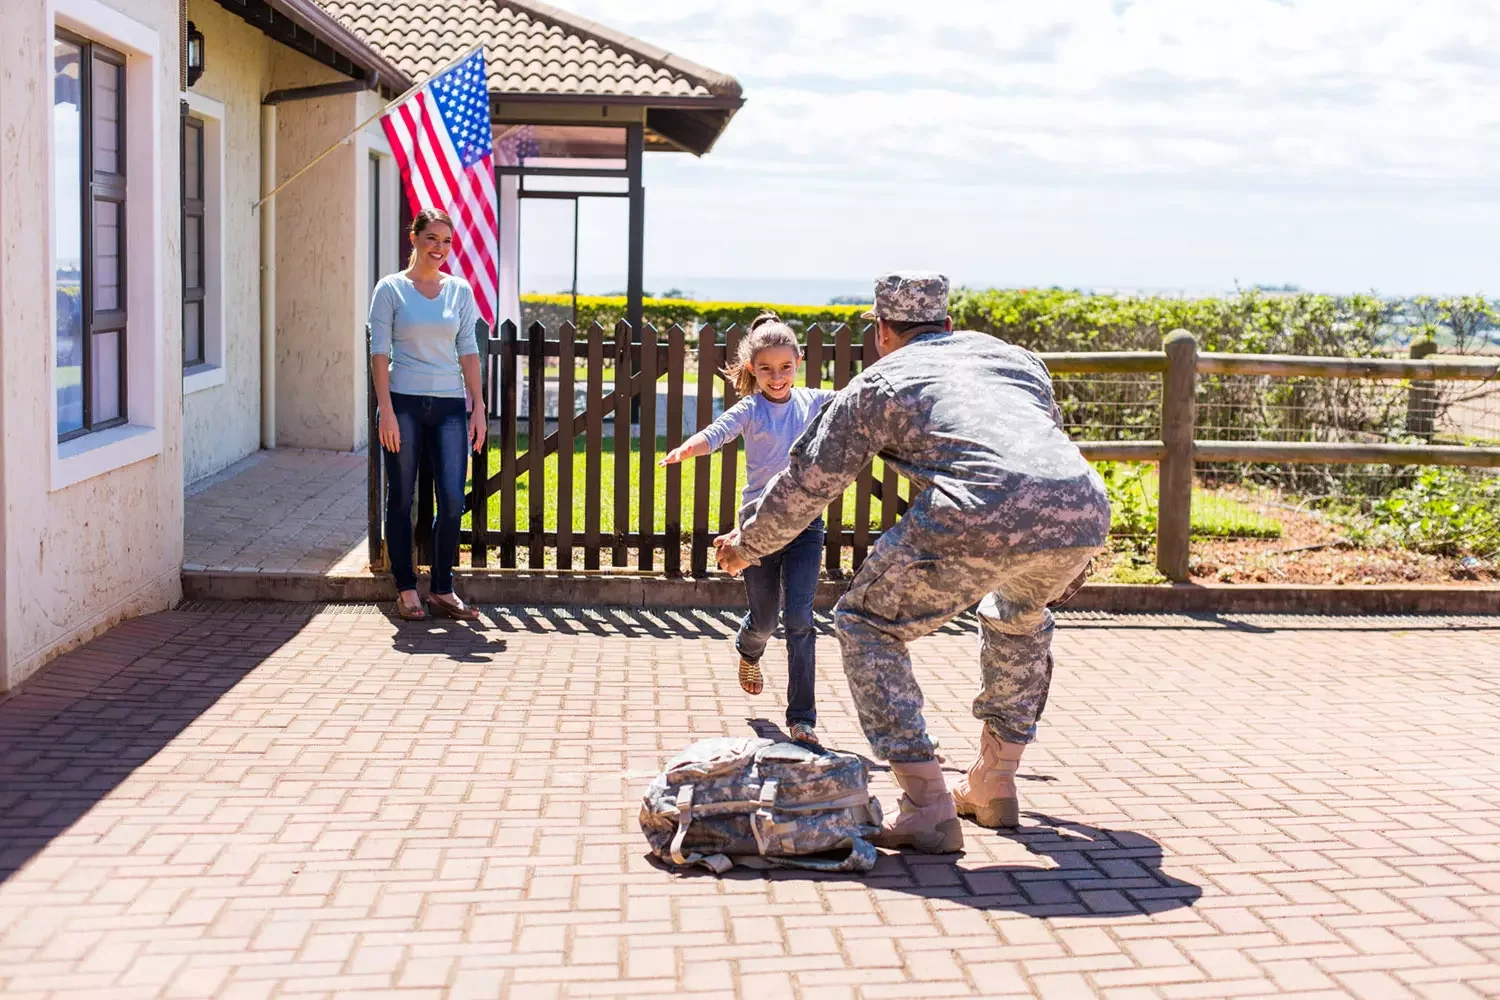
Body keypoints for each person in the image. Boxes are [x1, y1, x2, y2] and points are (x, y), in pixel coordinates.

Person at [714, 272, 1110, 854]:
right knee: (1018, 616)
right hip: (1081, 506)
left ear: (882, 332)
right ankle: (994, 784)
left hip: (977, 505)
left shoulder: (877, 382)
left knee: (866, 624)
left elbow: (808, 484)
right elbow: (1038, 441)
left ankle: (927, 806)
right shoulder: (1015, 359)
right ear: (947, 325)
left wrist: (747, 545)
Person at [663, 313, 837, 745]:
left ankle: (802, 719)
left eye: (784, 367)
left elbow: (860, 401)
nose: (776, 377)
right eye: (765, 369)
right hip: (756, 531)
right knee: (764, 620)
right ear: (751, 370)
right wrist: (687, 449)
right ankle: (748, 647)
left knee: (799, 618)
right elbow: (717, 432)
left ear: (798, 361)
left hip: (805, 525)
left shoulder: (815, 401)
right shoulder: (751, 408)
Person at [369, 207, 487, 622]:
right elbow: (379, 352)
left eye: (447, 241)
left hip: (451, 406)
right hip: (403, 403)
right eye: (432, 238)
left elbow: (468, 351)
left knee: (453, 500)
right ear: (414, 237)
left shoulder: (460, 291)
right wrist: (385, 411)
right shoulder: (391, 289)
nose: (439, 248)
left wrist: (478, 408)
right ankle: (406, 588)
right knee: (401, 498)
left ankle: (441, 588)